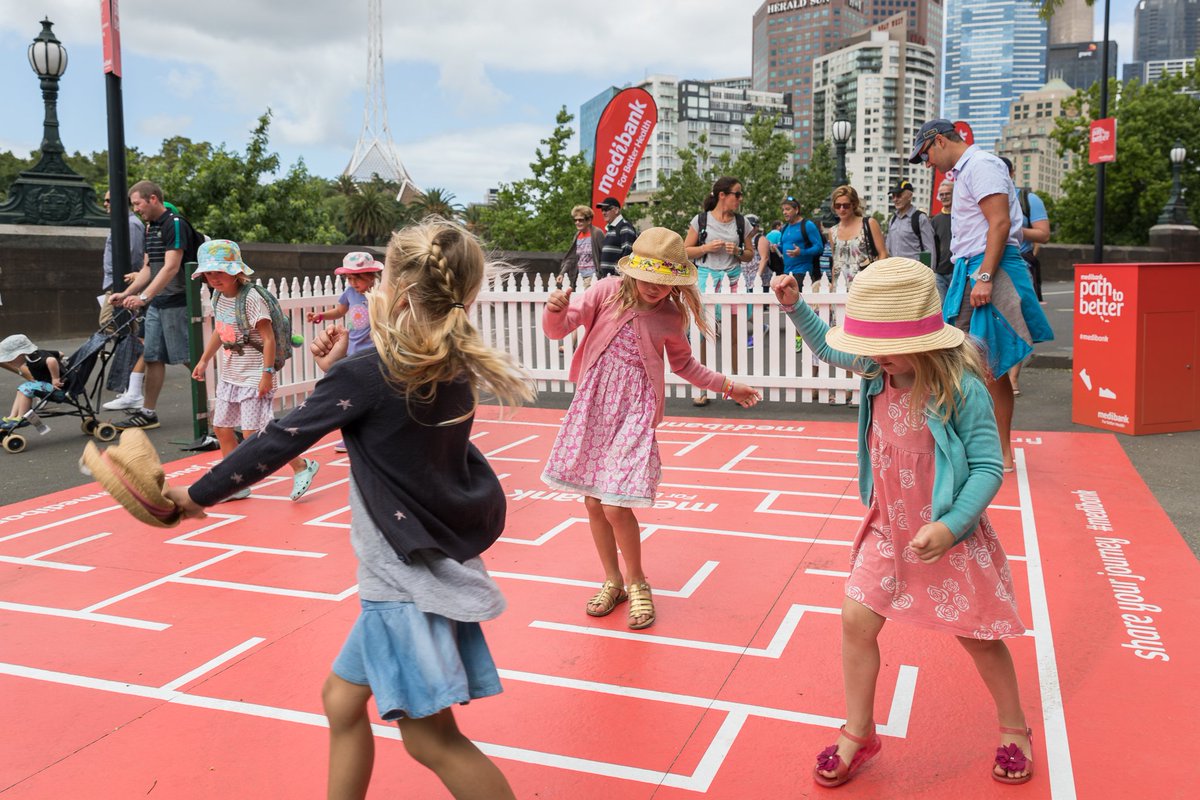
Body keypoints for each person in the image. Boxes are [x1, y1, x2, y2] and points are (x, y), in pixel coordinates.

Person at [165, 220, 533, 800]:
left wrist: (194, 496)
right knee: (341, 701)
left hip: (401, 582)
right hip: (419, 565)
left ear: (398, 289)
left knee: (431, 741)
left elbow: (282, 437)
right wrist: (339, 365)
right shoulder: (449, 364)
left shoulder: (369, 373)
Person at [771, 258, 1033, 789]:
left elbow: (986, 466)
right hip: (889, 530)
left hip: (948, 539)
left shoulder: (961, 388)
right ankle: (859, 732)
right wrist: (796, 305)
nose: (873, 355)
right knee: (855, 621)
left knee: (980, 638)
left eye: (883, 345)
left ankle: (1015, 729)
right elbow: (827, 346)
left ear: (924, 338)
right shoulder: (877, 367)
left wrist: (953, 523)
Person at [541, 227, 762, 630]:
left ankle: (638, 581)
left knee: (614, 502)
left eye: (665, 281)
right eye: (649, 277)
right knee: (592, 501)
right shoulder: (604, 292)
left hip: (635, 412)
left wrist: (729, 385)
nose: (656, 287)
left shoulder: (669, 315)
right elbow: (559, 330)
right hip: (594, 406)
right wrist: (555, 308)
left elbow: (685, 366)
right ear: (632, 271)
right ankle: (613, 580)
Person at [910, 118, 1053, 472]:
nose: (927, 163)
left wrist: (985, 276)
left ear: (940, 141)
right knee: (968, 359)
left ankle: (1001, 453)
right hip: (971, 267)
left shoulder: (981, 165)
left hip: (989, 266)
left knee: (992, 365)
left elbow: (1000, 223)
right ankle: (983, 446)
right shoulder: (966, 171)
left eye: (926, 153)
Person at [190, 240, 320, 502]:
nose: (213, 278)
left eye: (219, 272)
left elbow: (269, 339)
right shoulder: (218, 297)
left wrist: (267, 374)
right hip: (231, 374)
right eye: (209, 273)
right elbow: (221, 330)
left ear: (236, 271)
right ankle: (233, 484)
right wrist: (204, 359)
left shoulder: (251, 298)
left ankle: (302, 466)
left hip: (254, 374)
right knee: (222, 428)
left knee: (254, 434)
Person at [108, 180, 200, 430]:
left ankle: (219, 402)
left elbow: (171, 267)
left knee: (188, 358)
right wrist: (127, 293)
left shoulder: (175, 224)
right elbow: (149, 268)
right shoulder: (151, 227)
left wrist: (143, 298)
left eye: (138, 204)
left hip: (177, 301)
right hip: (158, 302)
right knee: (152, 356)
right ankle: (148, 412)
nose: (136, 209)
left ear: (153, 199)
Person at [683, 176, 756, 402]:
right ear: (722, 195)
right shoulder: (701, 220)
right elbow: (685, 251)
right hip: (707, 280)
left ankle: (735, 389)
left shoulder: (742, 222)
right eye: (737, 194)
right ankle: (702, 388)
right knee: (704, 335)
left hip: (733, 279)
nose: (740, 199)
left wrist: (737, 251)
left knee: (735, 336)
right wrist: (705, 247)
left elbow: (750, 255)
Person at [999, 157, 1051, 397]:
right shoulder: (986, 196)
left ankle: (1013, 377)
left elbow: (1043, 234)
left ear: (1011, 172)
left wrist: (1011, 228)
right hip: (991, 264)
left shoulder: (1028, 199)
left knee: (1018, 322)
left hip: (1019, 262)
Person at [307, 252, 384, 357]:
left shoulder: (380, 292)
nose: (352, 282)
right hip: (351, 344)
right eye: (349, 278)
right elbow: (339, 311)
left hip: (373, 346)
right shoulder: (350, 292)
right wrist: (321, 315)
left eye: (357, 278)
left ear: (371, 276)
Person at [0, 334, 64, 430]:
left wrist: (55, 378)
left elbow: (51, 360)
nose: (9, 362)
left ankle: (22, 417)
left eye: (10, 359)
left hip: (56, 387)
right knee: (21, 388)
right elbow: (60, 353)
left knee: (26, 389)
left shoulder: (35, 360)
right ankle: (12, 416)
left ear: (21, 354)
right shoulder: (37, 354)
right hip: (48, 383)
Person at [828, 185, 887, 288]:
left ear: (854, 205)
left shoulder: (869, 223)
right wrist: (833, 285)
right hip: (840, 288)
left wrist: (876, 277)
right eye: (838, 206)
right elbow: (836, 262)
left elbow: (883, 254)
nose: (842, 209)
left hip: (866, 286)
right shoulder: (832, 231)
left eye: (846, 205)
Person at [884, 179, 936, 264]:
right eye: (893, 196)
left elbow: (930, 250)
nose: (895, 199)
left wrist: (929, 274)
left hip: (914, 273)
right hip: (894, 272)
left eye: (899, 195)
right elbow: (888, 248)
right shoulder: (892, 220)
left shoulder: (920, 218)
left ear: (910, 196)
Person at [557, 205, 605, 290]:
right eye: (575, 220)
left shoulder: (597, 233)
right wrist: (562, 273)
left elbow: (604, 255)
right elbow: (571, 257)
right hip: (578, 277)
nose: (577, 222)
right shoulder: (577, 235)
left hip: (593, 277)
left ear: (589, 220)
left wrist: (600, 275)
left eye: (580, 220)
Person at [779, 195, 824, 282]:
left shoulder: (807, 225)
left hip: (803, 272)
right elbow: (783, 248)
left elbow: (819, 247)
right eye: (783, 210)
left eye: (787, 209)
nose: (784, 212)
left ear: (796, 210)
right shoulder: (784, 228)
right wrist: (775, 248)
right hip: (786, 272)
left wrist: (801, 252)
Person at [596, 196, 637, 279]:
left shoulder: (625, 227)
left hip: (617, 280)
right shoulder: (611, 229)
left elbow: (628, 254)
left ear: (616, 210)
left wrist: (618, 276)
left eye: (607, 209)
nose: (603, 212)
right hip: (608, 279)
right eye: (602, 210)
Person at [931, 180, 955, 300]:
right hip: (939, 272)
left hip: (957, 270)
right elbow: (932, 247)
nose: (944, 197)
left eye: (947, 193)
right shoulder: (935, 220)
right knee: (942, 307)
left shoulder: (962, 217)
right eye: (942, 195)